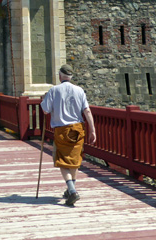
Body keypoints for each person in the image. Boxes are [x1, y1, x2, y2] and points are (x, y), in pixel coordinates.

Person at [39, 64, 96, 207]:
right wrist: (93, 130)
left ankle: (72, 190)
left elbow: (45, 110)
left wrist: (43, 99)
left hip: (62, 130)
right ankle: (71, 189)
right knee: (74, 160)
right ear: (71, 77)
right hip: (78, 129)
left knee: (62, 160)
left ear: (60, 76)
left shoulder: (54, 90)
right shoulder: (79, 90)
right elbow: (87, 111)